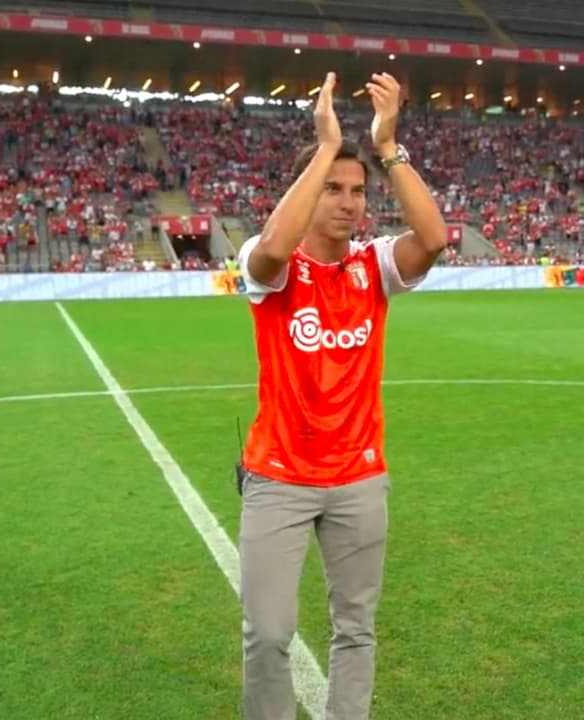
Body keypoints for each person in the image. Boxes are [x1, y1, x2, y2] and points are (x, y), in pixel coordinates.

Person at [235, 71, 448, 720]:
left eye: (357, 191)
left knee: (356, 630)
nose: (348, 202)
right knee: (268, 634)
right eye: (333, 188)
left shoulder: (373, 264)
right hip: (279, 476)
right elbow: (275, 247)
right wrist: (326, 145)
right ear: (308, 188)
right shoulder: (270, 264)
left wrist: (387, 146)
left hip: (359, 477)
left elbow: (434, 240)